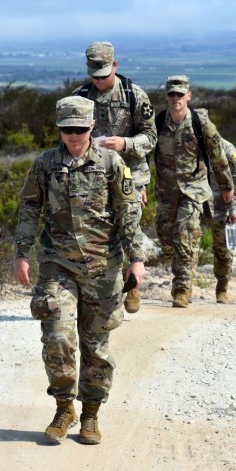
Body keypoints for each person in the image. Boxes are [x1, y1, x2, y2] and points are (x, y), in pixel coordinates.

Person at [13, 96, 145, 445]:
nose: (73, 136)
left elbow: (128, 212)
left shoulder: (111, 163)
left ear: (91, 128)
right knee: (57, 336)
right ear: (60, 129)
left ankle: (90, 414)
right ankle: (63, 407)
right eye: (66, 130)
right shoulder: (46, 163)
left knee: (96, 346)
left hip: (103, 267)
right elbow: (29, 209)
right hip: (58, 265)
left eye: (79, 129)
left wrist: (137, 257)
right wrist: (22, 254)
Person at [72, 41, 157, 314]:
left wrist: (125, 144)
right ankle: (99, 291)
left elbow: (151, 137)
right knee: (98, 233)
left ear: (115, 67)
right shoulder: (81, 97)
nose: (99, 81)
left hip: (130, 174)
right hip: (93, 177)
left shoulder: (135, 96)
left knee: (127, 230)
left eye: (104, 75)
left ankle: (130, 286)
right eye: (94, 76)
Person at [154, 75, 234, 308]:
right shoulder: (158, 123)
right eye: (172, 94)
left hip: (194, 191)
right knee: (167, 240)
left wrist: (227, 186)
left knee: (184, 235)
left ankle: (181, 288)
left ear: (188, 96)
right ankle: (185, 270)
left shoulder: (201, 124)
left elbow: (219, 158)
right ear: (167, 96)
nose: (176, 98)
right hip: (166, 192)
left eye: (180, 94)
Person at [202, 138, 236, 303]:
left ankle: (222, 286)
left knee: (224, 251)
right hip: (197, 204)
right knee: (187, 245)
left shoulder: (228, 150)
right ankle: (184, 288)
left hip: (223, 207)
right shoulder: (191, 146)